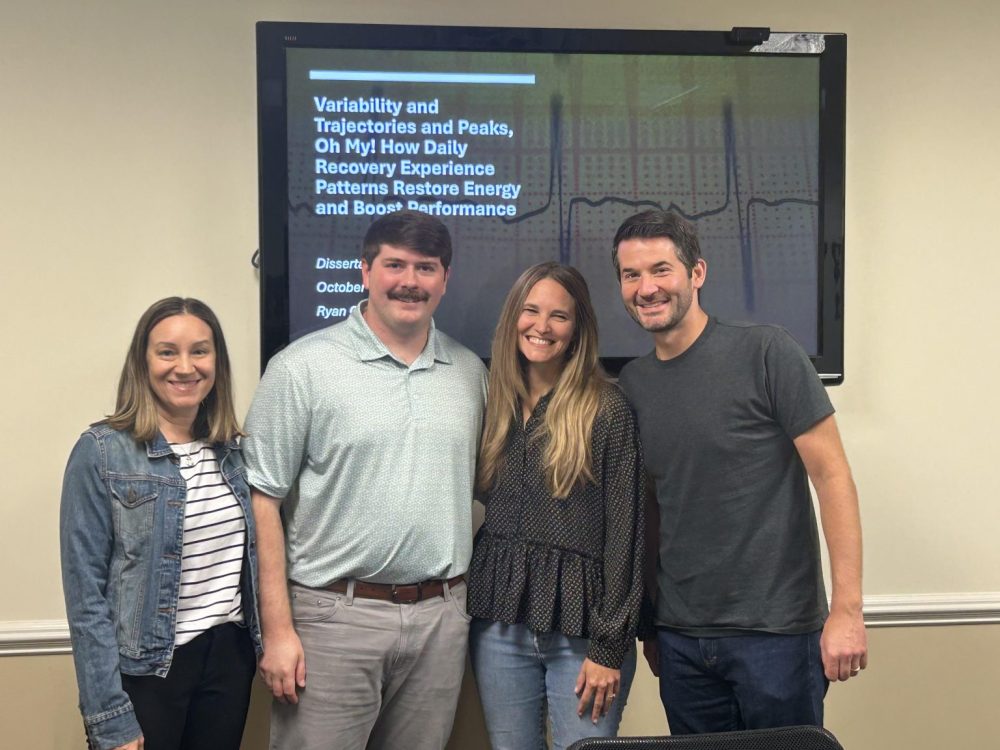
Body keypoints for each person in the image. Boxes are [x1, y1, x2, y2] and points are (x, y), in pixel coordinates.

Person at [611, 210, 868, 734]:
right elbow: (652, 507)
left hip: (777, 636)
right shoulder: (633, 385)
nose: (646, 288)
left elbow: (832, 477)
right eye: (631, 274)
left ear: (696, 273)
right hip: (681, 640)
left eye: (661, 270)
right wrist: (653, 623)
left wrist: (847, 610)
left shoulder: (767, 352)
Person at [244, 209, 487, 750]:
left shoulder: (470, 373)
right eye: (394, 264)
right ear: (365, 271)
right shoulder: (302, 367)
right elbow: (263, 499)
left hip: (441, 618)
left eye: (426, 268)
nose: (409, 281)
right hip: (333, 619)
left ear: (445, 278)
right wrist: (277, 631)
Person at [60, 297, 261, 750]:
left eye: (200, 351)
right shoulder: (101, 451)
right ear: (143, 362)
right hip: (147, 672)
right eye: (167, 352)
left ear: (217, 362)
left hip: (228, 661)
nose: (185, 367)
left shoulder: (234, 452)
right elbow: (86, 599)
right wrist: (109, 714)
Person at [467, 262, 645, 750]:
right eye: (531, 311)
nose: (541, 327)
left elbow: (626, 535)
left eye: (559, 316)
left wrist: (609, 647)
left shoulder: (606, 408)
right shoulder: (491, 401)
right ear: (513, 318)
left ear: (578, 329)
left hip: (584, 633)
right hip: (499, 627)